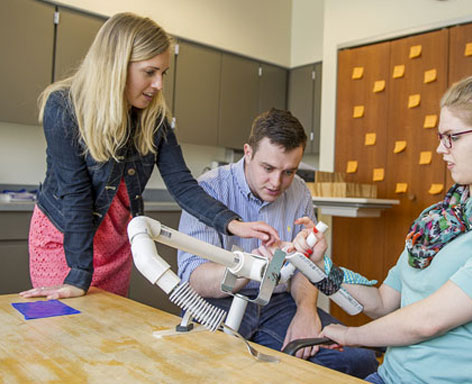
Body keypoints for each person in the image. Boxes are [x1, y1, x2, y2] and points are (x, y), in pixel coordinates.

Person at [294, 75, 472, 384]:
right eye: (440, 137)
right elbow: (381, 304)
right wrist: (321, 265)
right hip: (391, 383)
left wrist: (352, 336)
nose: (439, 149)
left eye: (452, 137)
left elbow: (429, 321)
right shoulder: (437, 219)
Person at [19, 12, 278, 301]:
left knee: (108, 331)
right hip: (65, 237)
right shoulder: (64, 107)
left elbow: (182, 185)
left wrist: (233, 223)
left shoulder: (154, 120)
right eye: (150, 72)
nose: (159, 85)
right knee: (64, 325)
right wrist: (79, 273)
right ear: (117, 65)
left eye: (163, 73)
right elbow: (75, 192)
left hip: (116, 242)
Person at [177, 108, 378, 378]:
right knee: (216, 371)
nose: (277, 182)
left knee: (359, 360)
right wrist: (253, 268)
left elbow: (304, 265)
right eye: (268, 168)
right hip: (219, 301)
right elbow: (194, 278)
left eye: (289, 172)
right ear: (247, 152)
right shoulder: (209, 189)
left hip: (278, 303)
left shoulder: (299, 192)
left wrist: (306, 311)